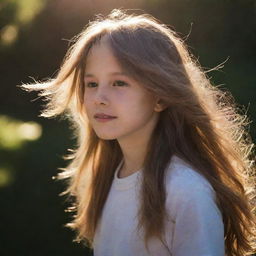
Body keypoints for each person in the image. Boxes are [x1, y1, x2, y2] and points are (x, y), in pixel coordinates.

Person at [20, 8, 256, 256]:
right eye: (91, 84)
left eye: (119, 83)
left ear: (160, 97)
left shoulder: (187, 192)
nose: (99, 98)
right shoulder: (106, 178)